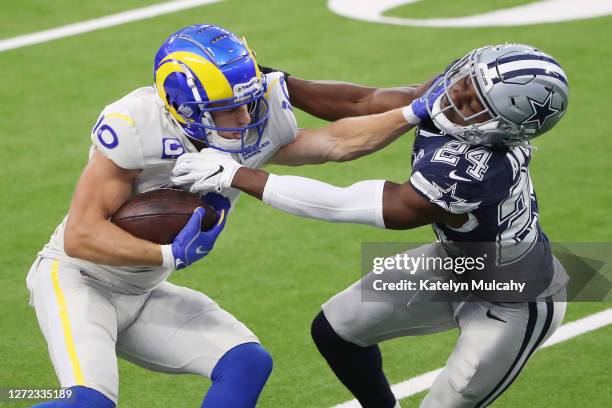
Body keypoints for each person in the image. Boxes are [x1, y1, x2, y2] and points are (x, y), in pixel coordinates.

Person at [26, 23, 441, 407]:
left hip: (144, 291)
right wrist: (170, 255)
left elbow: (335, 143)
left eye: (249, 101)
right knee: (90, 402)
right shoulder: (136, 124)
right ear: (181, 105)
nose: (246, 118)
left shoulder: (252, 118)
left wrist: (411, 113)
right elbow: (80, 235)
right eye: (228, 109)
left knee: (247, 363)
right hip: (79, 279)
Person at [171, 43, 571, 407]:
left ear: (500, 127)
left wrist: (237, 175)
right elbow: (365, 101)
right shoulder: (461, 100)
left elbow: (348, 204)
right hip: (458, 262)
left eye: (474, 104)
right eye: (467, 81)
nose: (457, 94)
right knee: (336, 331)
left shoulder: (475, 170)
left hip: (514, 297)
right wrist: (250, 78)